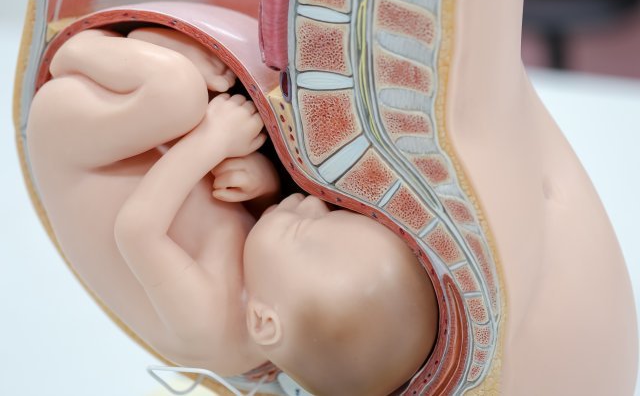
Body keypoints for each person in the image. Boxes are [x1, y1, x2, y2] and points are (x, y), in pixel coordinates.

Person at [26, 27, 438, 395]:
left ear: (264, 322)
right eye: (331, 214)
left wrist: (212, 141)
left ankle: (80, 50)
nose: (313, 204)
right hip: (143, 146)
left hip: (77, 145)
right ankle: (148, 65)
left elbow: (137, 230)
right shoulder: (278, 291)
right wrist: (261, 184)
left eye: (302, 231)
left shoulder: (204, 326)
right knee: (194, 103)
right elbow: (249, 229)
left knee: (178, 93)